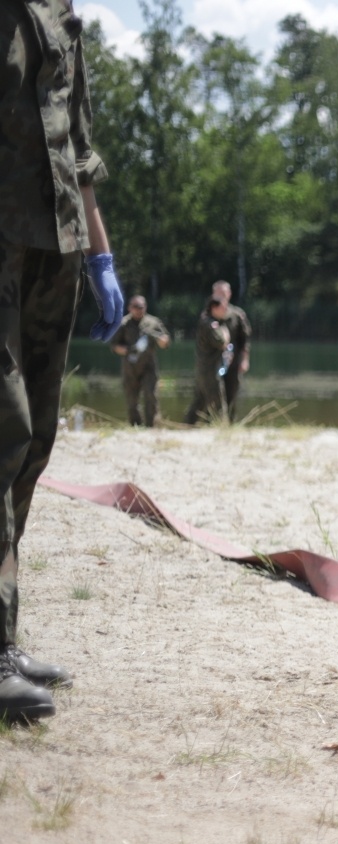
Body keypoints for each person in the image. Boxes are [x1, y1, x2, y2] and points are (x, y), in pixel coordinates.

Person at [0, 0, 126, 722]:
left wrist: (101, 253)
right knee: (3, 432)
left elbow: (76, 144)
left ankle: (4, 637)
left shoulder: (59, 8)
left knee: (34, 441)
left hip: (58, 246)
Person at [183, 281, 251, 424]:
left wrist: (244, 360)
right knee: (205, 396)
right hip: (212, 364)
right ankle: (201, 424)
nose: (221, 297)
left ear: (229, 294)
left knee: (231, 395)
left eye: (224, 294)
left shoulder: (237, 315)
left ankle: (229, 425)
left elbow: (244, 340)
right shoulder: (208, 317)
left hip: (231, 364)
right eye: (218, 294)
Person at [108, 295, 169, 426]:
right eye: (135, 307)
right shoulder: (123, 323)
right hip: (130, 368)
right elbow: (114, 346)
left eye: (141, 307)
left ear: (145, 307)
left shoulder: (154, 322)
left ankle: (151, 426)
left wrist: (162, 341)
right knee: (132, 402)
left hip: (149, 366)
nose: (139, 310)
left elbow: (165, 341)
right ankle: (135, 427)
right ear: (130, 308)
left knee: (151, 396)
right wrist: (129, 350)